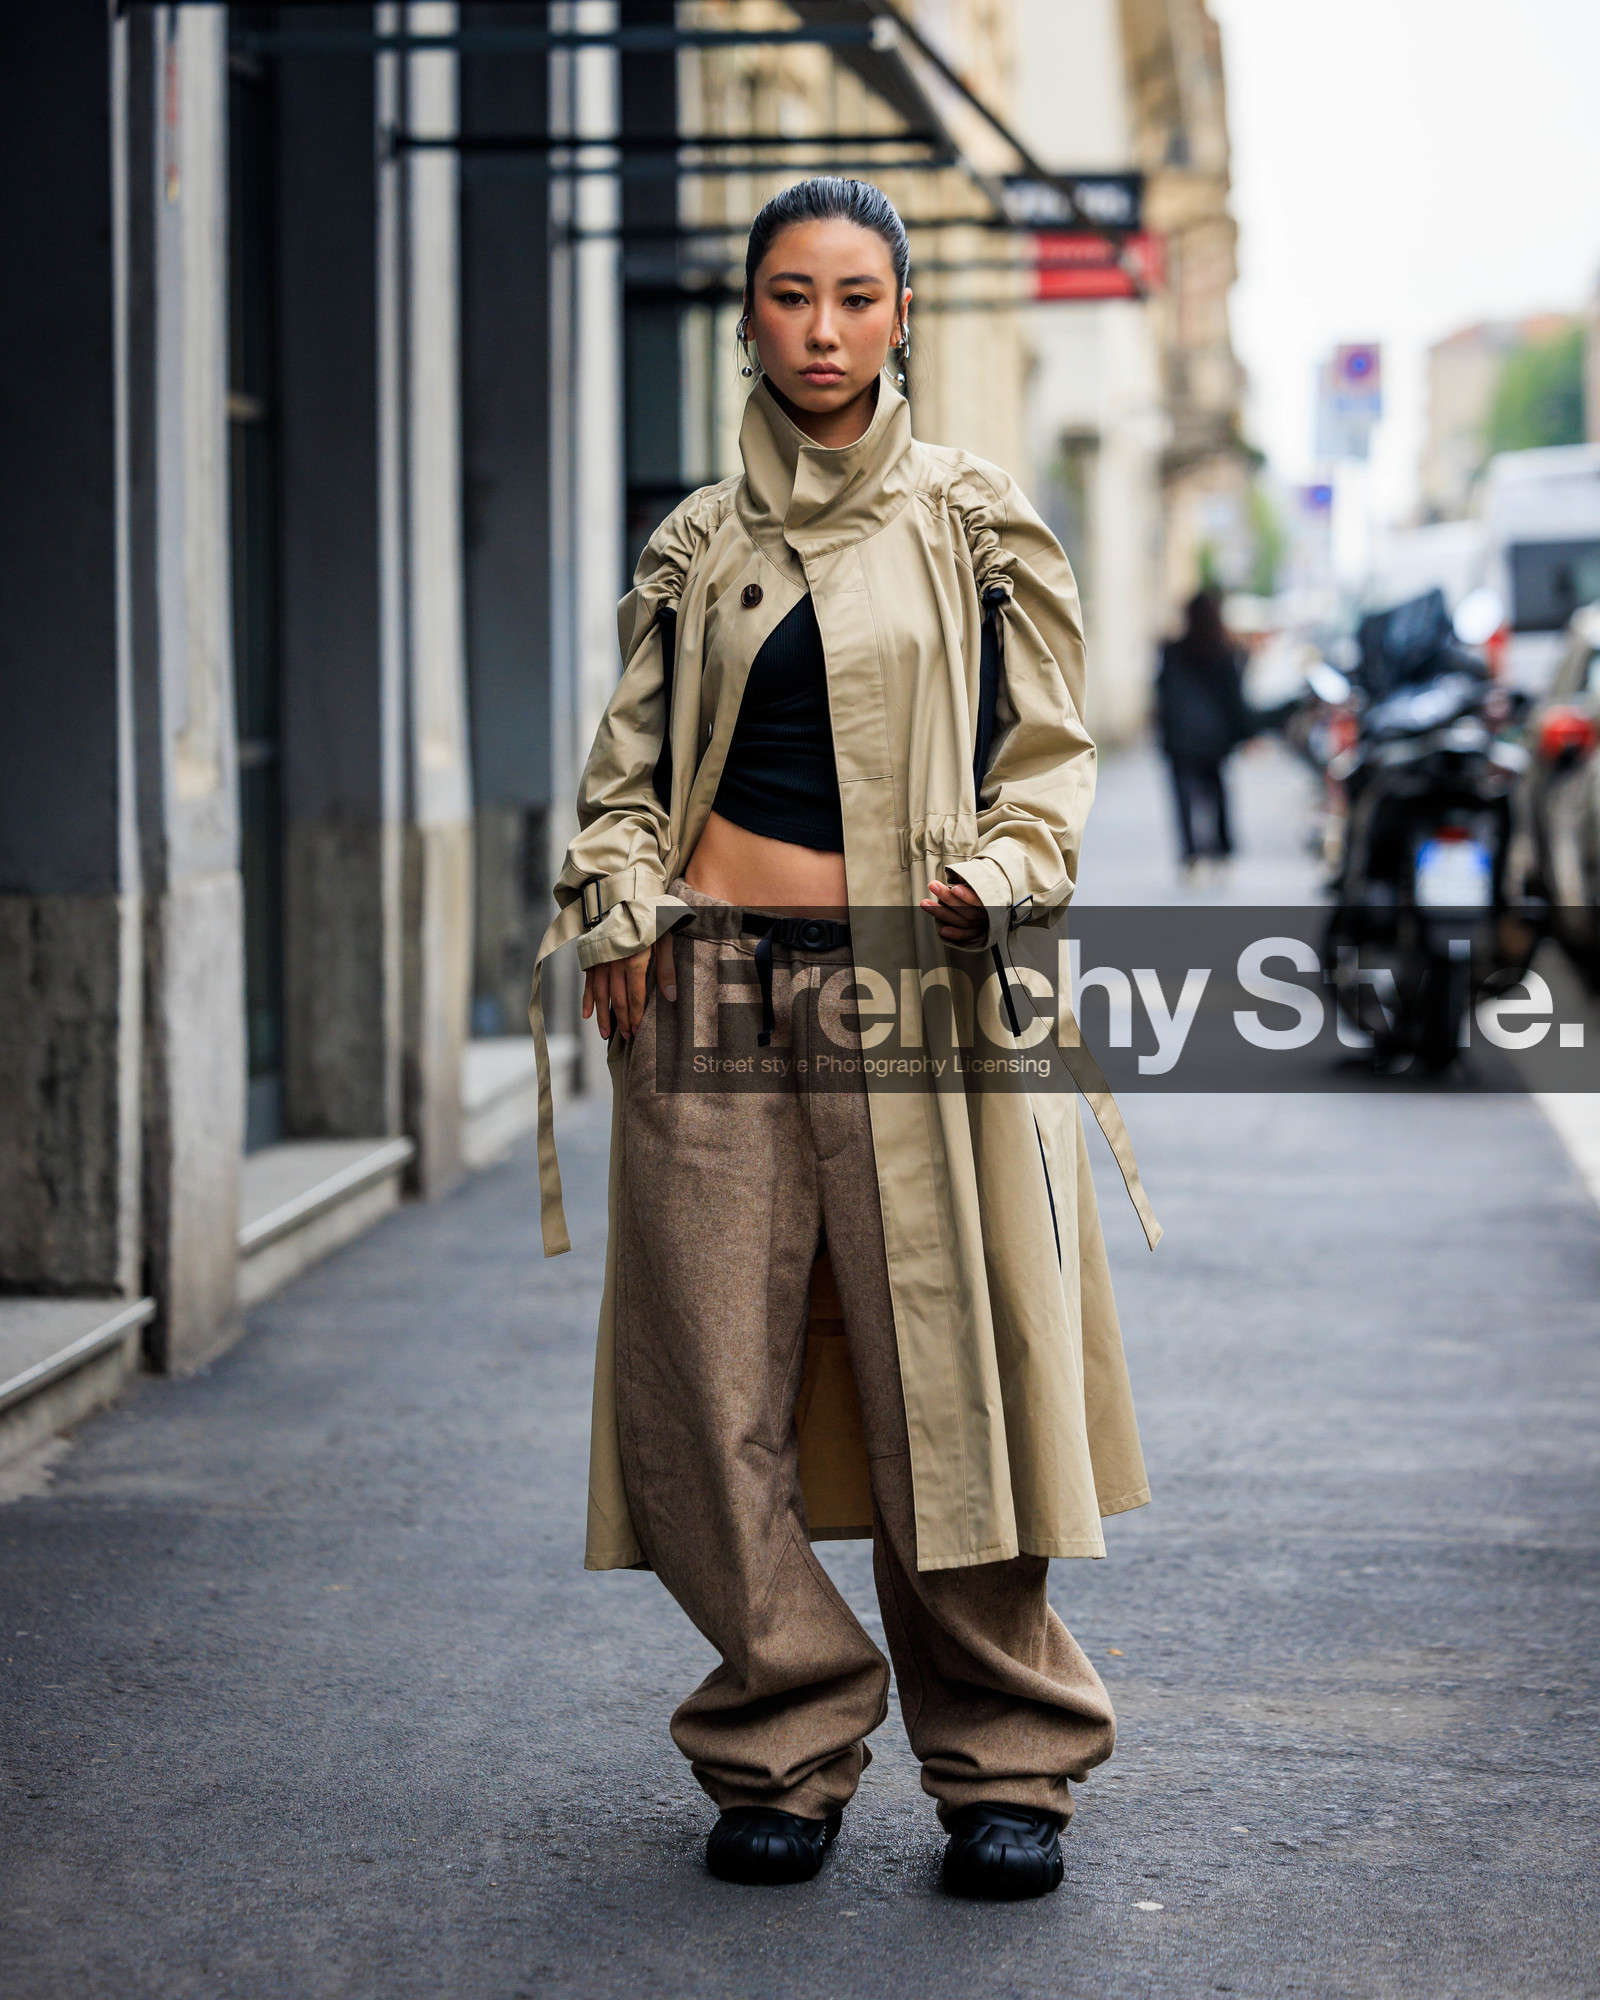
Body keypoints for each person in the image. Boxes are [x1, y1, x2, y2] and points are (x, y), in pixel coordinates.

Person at [527, 178, 1158, 1901]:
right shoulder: (696, 541)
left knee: (944, 1383)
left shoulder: (972, 521)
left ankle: (1004, 1758)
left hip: (918, 991)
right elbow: (627, 782)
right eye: (791, 296)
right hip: (710, 993)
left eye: (857, 297)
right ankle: (784, 1736)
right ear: (747, 315)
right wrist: (616, 901)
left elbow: (1047, 760)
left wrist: (1004, 871)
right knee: (701, 1389)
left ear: (900, 318)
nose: (822, 330)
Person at [1155, 588, 1255, 877]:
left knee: (1183, 797)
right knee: (1218, 793)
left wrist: (1164, 731)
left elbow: (1163, 695)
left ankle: (1191, 857)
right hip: (1215, 737)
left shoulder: (1172, 650)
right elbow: (1234, 698)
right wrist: (1245, 734)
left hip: (1180, 737)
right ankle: (1221, 852)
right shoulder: (1225, 652)